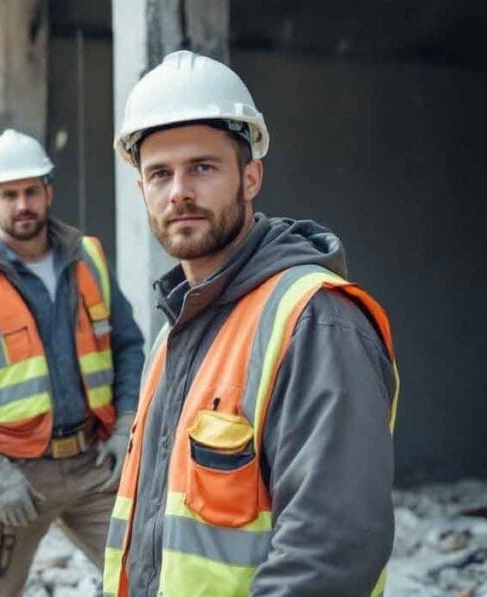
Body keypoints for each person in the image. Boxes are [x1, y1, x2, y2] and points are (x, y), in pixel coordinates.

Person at [103, 50, 399, 596]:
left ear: (251, 175)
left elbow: (331, 551)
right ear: (141, 188)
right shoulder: (176, 332)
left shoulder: (314, 321)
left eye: (203, 167)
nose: (180, 192)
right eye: (160, 174)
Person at [0, 129, 145, 596]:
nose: (21, 204)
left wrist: (126, 424)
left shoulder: (90, 259)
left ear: (48, 192)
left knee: (143, 577)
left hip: (92, 463)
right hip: (15, 474)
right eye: (8, 194)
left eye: (30, 191)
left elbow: (127, 346)